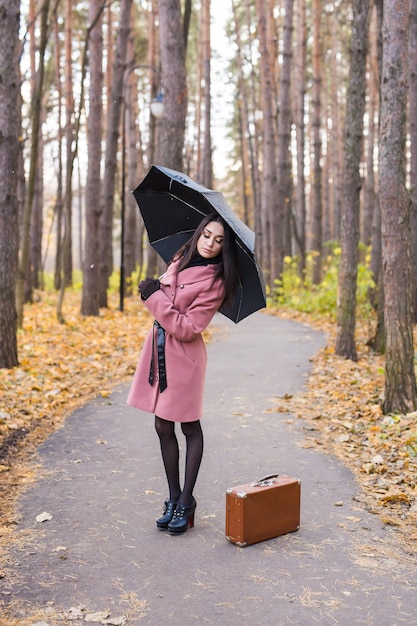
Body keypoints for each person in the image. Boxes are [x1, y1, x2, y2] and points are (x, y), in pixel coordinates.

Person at [127, 213, 238, 535]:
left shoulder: (217, 281)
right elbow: (169, 302)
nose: (210, 244)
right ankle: (173, 498)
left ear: (225, 247)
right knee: (162, 425)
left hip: (184, 358)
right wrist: (157, 291)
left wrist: (153, 297)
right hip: (159, 351)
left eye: (219, 241)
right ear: (199, 233)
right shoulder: (179, 258)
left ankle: (187, 500)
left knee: (188, 425)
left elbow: (189, 328)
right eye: (206, 235)